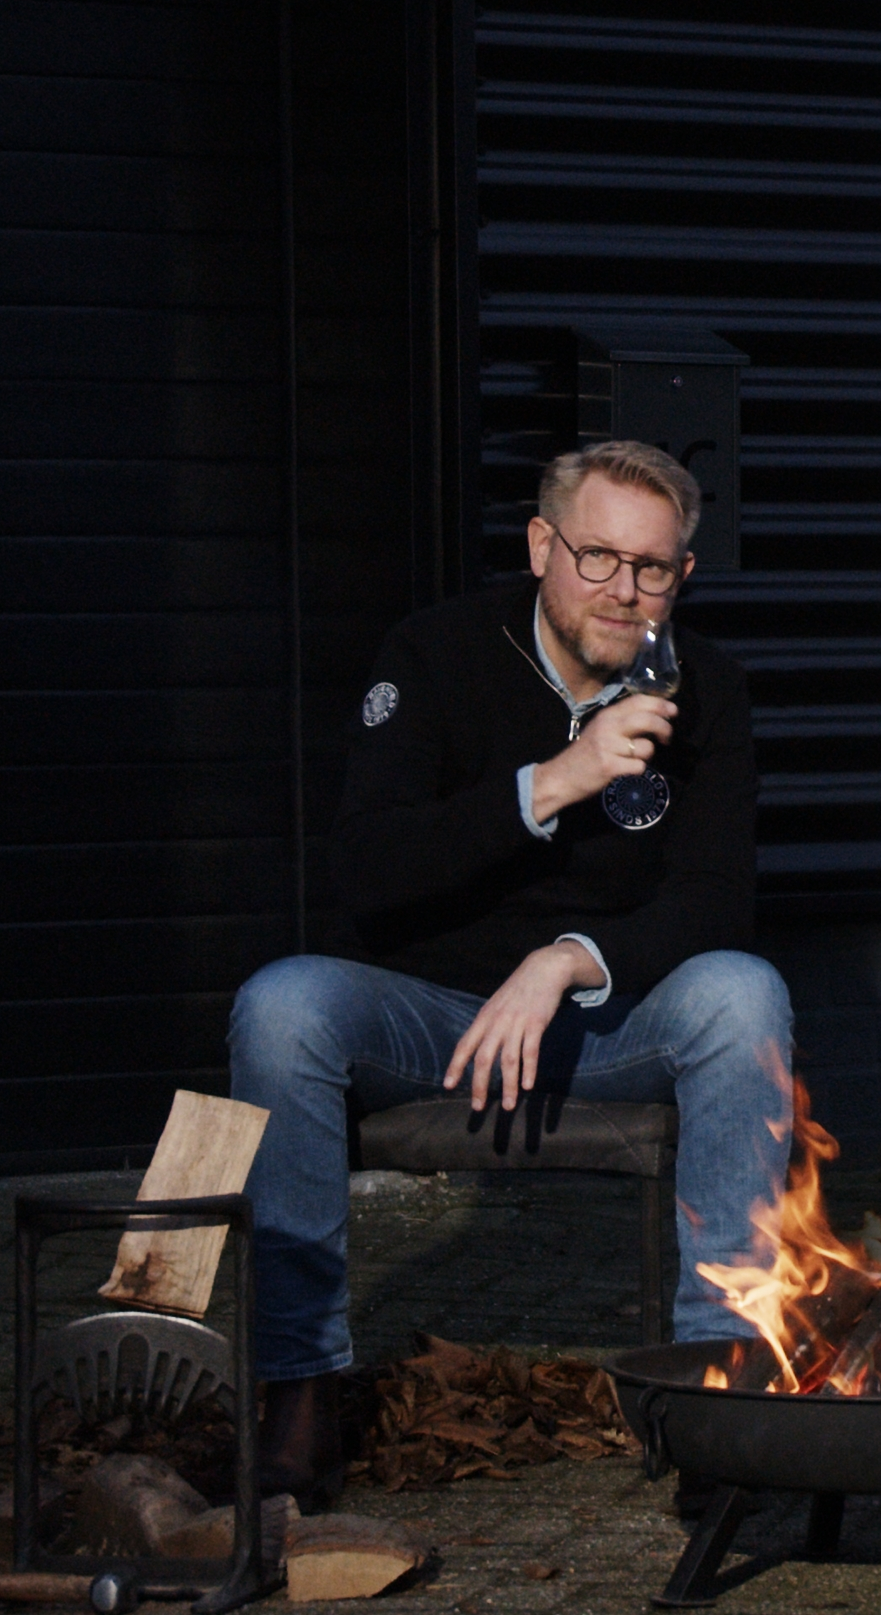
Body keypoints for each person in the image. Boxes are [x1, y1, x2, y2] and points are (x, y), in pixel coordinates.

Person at [225, 440, 786, 1505]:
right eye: (597, 556)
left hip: (606, 1022)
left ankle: (722, 1392)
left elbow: (717, 898)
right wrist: (557, 779)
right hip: (435, 1014)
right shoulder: (436, 654)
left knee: (742, 991)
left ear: (684, 574)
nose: (622, 590)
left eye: (651, 567)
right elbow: (369, 872)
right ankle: (296, 1382)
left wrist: (567, 960)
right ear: (541, 545)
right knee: (284, 1004)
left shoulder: (707, 686)